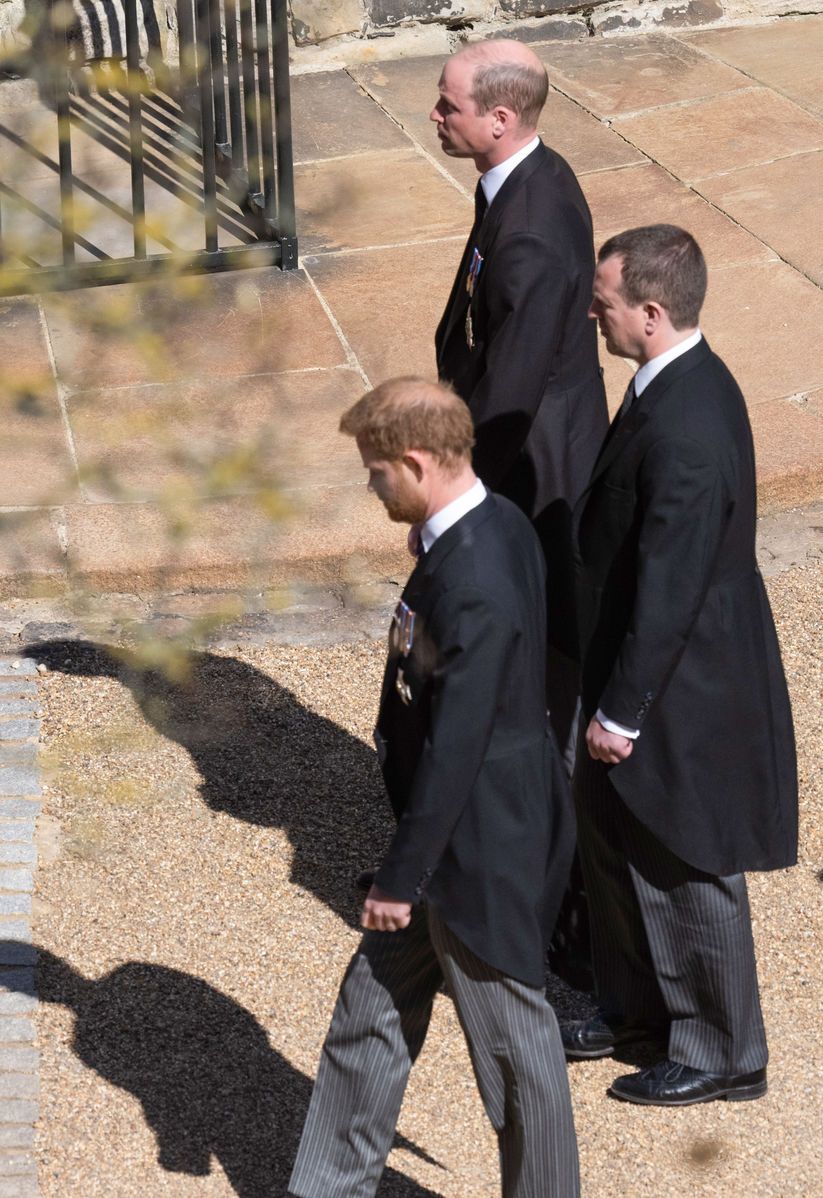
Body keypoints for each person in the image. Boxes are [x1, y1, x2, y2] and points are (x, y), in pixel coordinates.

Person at [289, 377, 580, 1198]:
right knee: (370, 1012)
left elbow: (459, 743)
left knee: (517, 1053)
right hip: (457, 836)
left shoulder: (474, 575)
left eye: (376, 472)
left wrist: (402, 878)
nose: (372, 485)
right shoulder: (490, 528)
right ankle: (327, 1186)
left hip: (476, 849)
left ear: (416, 463)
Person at [562, 225, 799, 1106]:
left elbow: (671, 584)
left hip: (680, 684)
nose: (593, 310)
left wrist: (623, 710)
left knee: (682, 854)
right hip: (643, 661)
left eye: (606, 301)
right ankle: (638, 1014)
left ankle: (723, 1050)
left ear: (651, 313)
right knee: (616, 837)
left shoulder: (689, 424)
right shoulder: (668, 385)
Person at [431, 38, 608, 763]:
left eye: (449, 104)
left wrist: (454, 495)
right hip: (537, 442)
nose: (435, 114)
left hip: (536, 465)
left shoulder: (530, 228)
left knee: (545, 650)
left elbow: (513, 389)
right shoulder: (525, 176)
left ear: (500, 118)